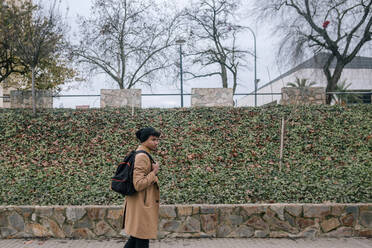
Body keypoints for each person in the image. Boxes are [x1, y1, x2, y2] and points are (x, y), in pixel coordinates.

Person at [122, 127, 160, 248]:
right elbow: (138, 184)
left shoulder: (141, 153)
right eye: (153, 139)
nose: (156, 142)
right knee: (142, 239)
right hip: (142, 205)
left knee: (135, 238)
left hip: (140, 203)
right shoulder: (142, 156)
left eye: (157, 140)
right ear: (144, 140)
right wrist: (154, 173)